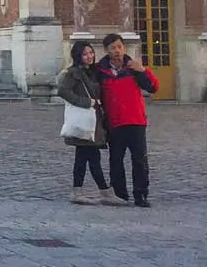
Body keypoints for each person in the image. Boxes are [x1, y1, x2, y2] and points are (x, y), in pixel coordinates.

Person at [55, 40, 118, 206]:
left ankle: (83, 191)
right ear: (78, 56)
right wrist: (86, 102)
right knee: (90, 156)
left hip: (95, 120)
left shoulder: (94, 71)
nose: (89, 56)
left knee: (85, 157)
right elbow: (62, 91)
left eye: (91, 52)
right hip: (84, 120)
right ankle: (102, 192)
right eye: (85, 54)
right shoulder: (73, 73)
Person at [98, 33, 157, 207]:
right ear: (106, 51)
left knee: (139, 159)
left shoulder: (133, 68)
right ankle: (120, 194)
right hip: (114, 122)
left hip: (136, 120)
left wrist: (143, 70)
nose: (117, 51)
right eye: (112, 48)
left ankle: (141, 194)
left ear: (124, 48)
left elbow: (153, 87)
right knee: (116, 159)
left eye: (119, 47)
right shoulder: (100, 71)